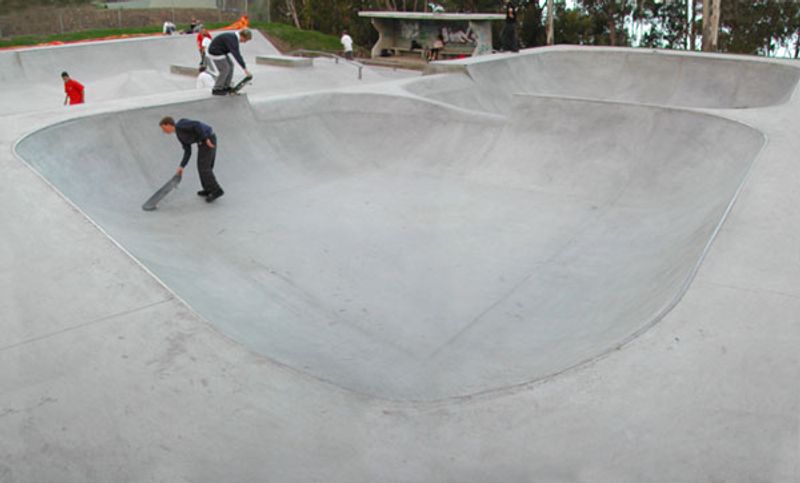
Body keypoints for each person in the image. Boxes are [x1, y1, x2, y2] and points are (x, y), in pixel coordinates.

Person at [159, 116, 224, 202]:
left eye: (164, 128)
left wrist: (205, 138)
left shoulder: (181, 125)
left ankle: (217, 190)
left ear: (168, 124)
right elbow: (187, 152)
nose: (164, 131)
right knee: (201, 167)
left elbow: (197, 125)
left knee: (204, 167)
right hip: (202, 142)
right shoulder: (179, 135)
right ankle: (208, 189)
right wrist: (182, 166)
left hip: (208, 139)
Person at [206, 28, 252, 96]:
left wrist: (244, 67)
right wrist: (244, 68)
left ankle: (225, 86)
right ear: (242, 36)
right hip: (215, 52)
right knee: (225, 69)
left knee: (231, 65)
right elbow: (236, 54)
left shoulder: (234, 38)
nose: (244, 42)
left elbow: (236, 53)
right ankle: (217, 89)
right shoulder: (233, 39)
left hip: (221, 51)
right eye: (245, 40)